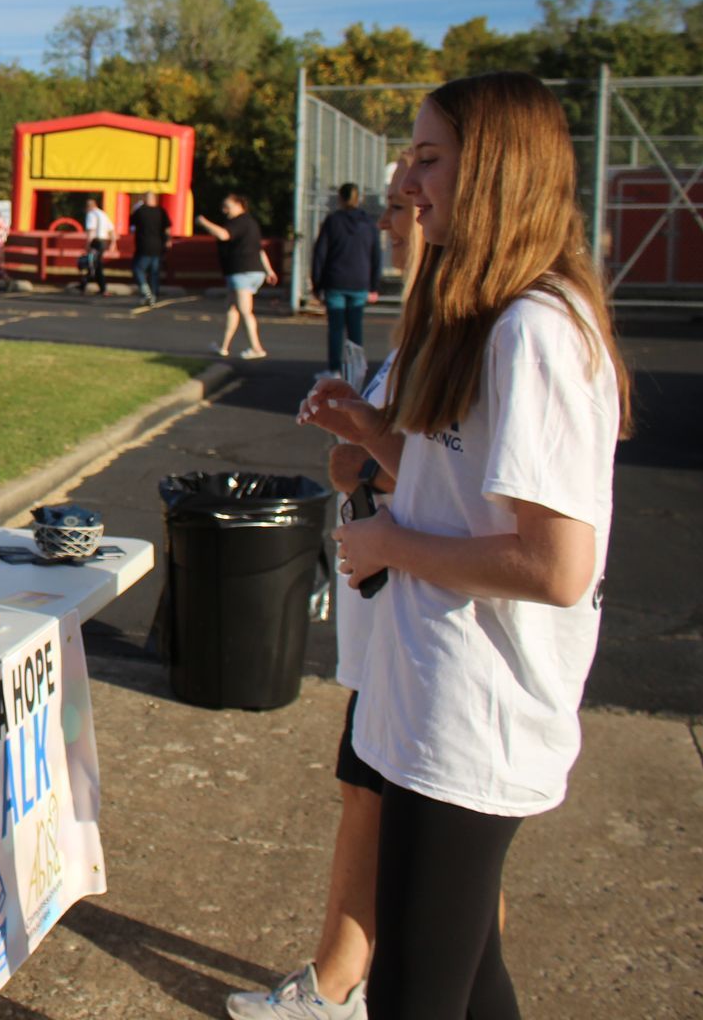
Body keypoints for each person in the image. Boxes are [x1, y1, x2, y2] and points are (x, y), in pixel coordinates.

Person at [299, 72, 628, 1020]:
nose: (405, 180)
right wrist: (371, 435)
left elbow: (557, 566)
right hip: (432, 696)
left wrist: (394, 543)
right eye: (412, 156)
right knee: (471, 980)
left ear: (498, 168)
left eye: (429, 157)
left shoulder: (536, 329)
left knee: (415, 993)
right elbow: (458, 491)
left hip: (476, 714)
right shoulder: (488, 319)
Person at [227, 164, 423, 1020]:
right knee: (367, 795)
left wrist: (375, 483)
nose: (391, 213)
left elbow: (483, 503)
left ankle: (351, 985)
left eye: (419, 178)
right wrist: (357, 436)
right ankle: (337, 981)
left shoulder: (501, 333)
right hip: (392, 629)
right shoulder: (425, 327)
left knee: (446, 846)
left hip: (432, 635)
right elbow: (378, 457)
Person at [312, 182, 383, 378]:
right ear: (358, 198)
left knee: (335, 328)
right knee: (355, 328)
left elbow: (320, 253)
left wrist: (317, 283)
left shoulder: (333, 221)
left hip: (335, 280)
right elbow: (376, 254)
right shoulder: (368, 223)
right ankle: (356, 369)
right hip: (360, 280)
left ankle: (334, 369)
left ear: (340, 198)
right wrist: (374, 284)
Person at [197, 192, 277, 359]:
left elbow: (223, 235)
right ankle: (223, 346)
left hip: (242, 271)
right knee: (232, 308)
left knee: (245, 310)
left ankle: (256, 348)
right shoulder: (251, 223)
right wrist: (268, 270)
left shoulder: (239, 222)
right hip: (252, 270)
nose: (224, 209)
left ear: (239, 205)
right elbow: (259, 250)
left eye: (227, 205)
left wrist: (203, 222)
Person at [129, 190, 173, 306]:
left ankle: (146, 291)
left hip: (144, 245)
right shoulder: (161, 211)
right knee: (154, 272)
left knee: (138, 269)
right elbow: (167, 228)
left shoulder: (140, 211)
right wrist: (168, 240)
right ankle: (153, 296)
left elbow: (131, 224)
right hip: (158, 246)